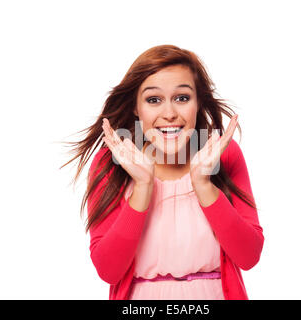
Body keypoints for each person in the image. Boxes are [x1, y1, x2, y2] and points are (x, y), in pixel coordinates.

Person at [62, 44, 264, 300]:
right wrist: (143, 187)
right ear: (136, 107)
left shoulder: (222, 154)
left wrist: (203, 185)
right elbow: (108, 270)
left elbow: (249, 257)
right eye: (153, 100)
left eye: (182, 98)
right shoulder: (113, 161)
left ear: (198, 102)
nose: (169, 114)